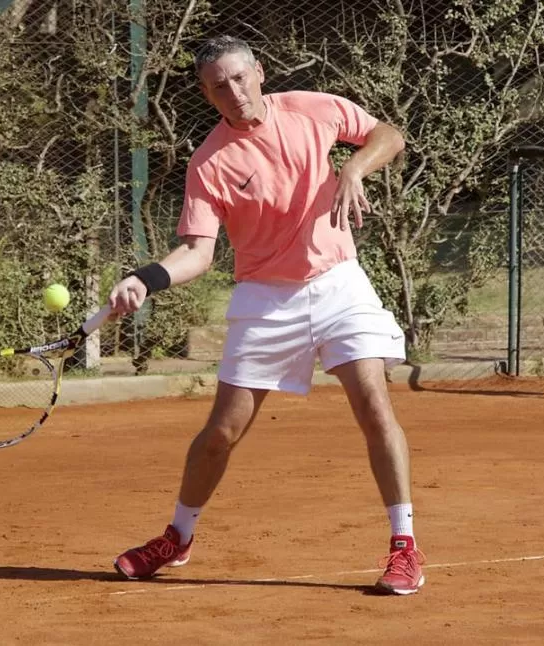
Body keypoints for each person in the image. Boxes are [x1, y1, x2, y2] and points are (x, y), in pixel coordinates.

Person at [107, 35, 424, 595]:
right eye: (218, 86)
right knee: (219, 435)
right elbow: (198, 252)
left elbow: (389, 134)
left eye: (238, 77)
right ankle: (177, 537)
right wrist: (145, 278)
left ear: (259, 72)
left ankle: (404, 546)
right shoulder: (210, 163)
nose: (233, 92)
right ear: (208, 96)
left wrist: (352, 169)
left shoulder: (312, 107)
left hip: (338, 282)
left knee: (374, 403)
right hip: (263, 298)